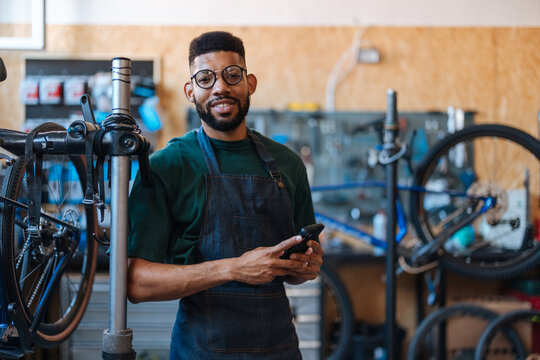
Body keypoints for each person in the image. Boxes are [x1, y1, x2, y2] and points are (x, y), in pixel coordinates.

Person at [127, 31, 323, 359]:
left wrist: (307, 267)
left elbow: (300, 268)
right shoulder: (166, 166)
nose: (220, 87)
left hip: (279, 349)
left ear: (250, 84)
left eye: (232, 75)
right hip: (202, 351)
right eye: (206, 78)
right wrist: (233, 269)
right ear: (191, 91)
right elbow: (136, 283)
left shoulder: (289, 164)